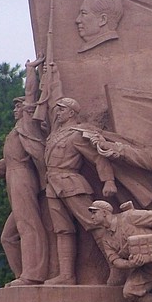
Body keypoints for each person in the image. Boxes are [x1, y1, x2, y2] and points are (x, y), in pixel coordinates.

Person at [44, 97, 118, 284]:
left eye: (61, 110)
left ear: (71, 112)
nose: (57, 113)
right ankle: (67, 276)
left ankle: (116, 267)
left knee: (96, 224)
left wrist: (108, 180)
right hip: (52, 186)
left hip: (72, 184)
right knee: (63, 230)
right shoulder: (55, 134)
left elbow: (98, 157)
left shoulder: (76, 134)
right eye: (57, 110)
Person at [0, 55, 49, 286]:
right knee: (8, 236)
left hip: (23, 176)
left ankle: (33, 275)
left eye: (20, 106)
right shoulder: (17, 130)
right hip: (12, 177)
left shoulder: (27, 123)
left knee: (28, 224)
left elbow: (31, 94)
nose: (17, 109)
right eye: (15, 106)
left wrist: (30, 70)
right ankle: (22, 276)